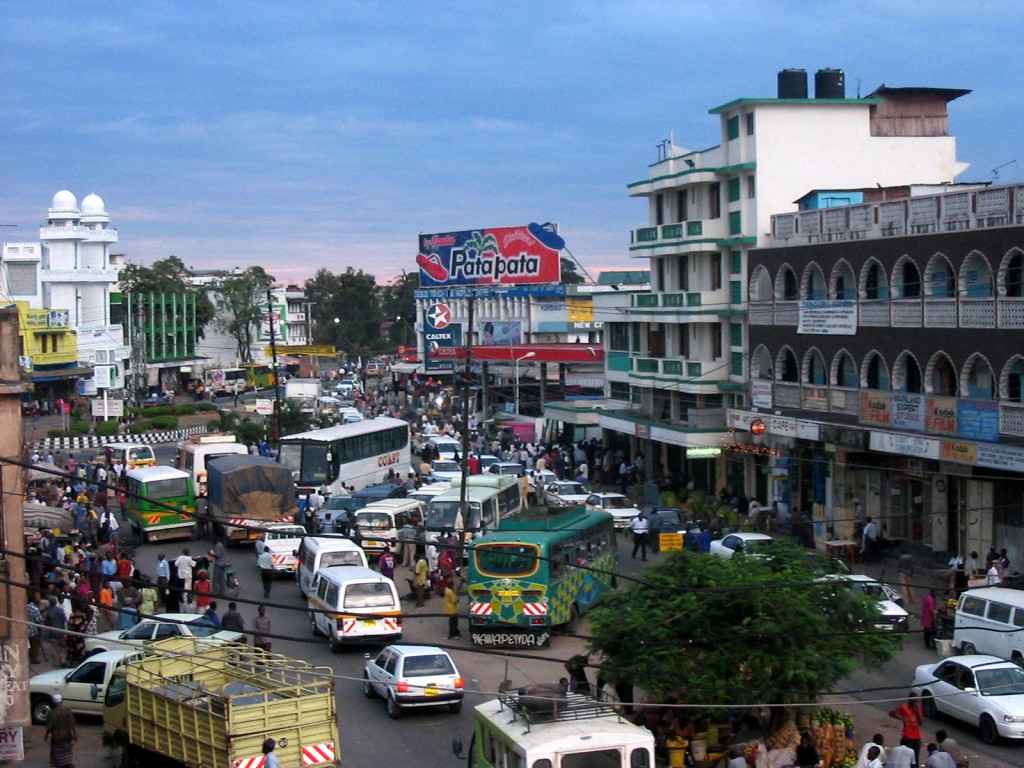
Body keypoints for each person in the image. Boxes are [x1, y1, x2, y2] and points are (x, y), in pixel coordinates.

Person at [889, 693, 924, 767]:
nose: (915, 703)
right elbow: (892, 713)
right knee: (906, 756)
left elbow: (920, 722)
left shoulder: (918, 708)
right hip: (907, 736)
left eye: (916, 701)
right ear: (910, 699)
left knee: (916, 757)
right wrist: (902, 718)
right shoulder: (904, 707)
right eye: (913, 701)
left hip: (917, 736)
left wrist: (917, 713)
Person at [45, 694, 77, 768]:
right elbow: (72, 724)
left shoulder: (52, 712)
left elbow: (49, 726)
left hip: (56, 737)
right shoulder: (67, 710)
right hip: (67, 736)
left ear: (53, 702)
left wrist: (46, 735)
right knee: (67, 751)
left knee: (57, 754)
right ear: (62, 701)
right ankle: (67, 764)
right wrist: (75, 735)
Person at [27, 599, 43, 664]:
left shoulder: (22, 607)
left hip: (24, 630)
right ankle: (33, 659)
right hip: (33, 630)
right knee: (34, 645)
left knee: (27, 645)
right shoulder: (34, 609)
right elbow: (38, 620)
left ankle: (27, 657)